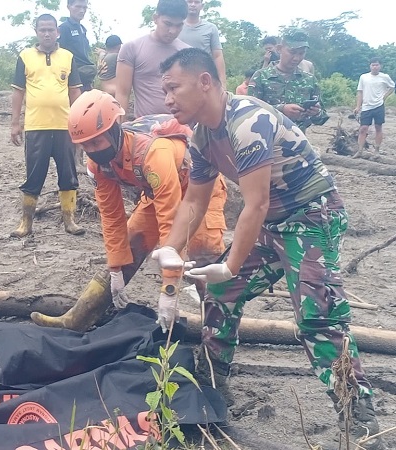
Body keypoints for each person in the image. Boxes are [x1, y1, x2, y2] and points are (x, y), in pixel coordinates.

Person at [153, 47, 383, 449]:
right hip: (274, 222)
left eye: (173, 88)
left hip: (312, 216)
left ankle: (360, 417)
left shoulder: (248, 121)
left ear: (204, 81)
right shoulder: (203, 137)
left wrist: (230, 263)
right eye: (164, 90)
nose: (167, 99)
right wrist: (170, 251)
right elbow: (194, 202)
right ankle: (213, 383)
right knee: (220, 294)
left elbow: (255, 204)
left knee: (318, 318)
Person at [31, 90, 227, 332]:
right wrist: (115, 269)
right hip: (156, 192)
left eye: (97, 141)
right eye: (85, 145)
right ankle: (77, 318)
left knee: (202, 258)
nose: (92, 149)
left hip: (199, 190)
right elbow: (111, 217)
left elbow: (170, 221)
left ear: (114, 128)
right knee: (131, 243)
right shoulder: (98, 163)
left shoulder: (154, 154)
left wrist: (169, 288)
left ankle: (215, 335)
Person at [10, 14, 85, 238]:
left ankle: (69, 220)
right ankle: (26, 221)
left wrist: (79, 122)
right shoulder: (25, 56)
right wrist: (15, 123)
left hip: (64, 127)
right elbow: (18, 92)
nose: (46, 33)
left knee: (68, 173)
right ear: (36, 32)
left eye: (50, 29)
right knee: (34, 175)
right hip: (35, 127)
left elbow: (75, 92)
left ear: (57, 32)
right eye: (42, 29)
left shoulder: (68, 57)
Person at [116, 0, 189, 119]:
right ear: (155, 18)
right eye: (168, 23)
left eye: (179, 25)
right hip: (145, 129)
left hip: (180, 128)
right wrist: (118, 132)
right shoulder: (131, 49)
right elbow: (122, 93)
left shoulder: (187, 53)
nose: (173, 31)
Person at [249, 28, 328, 134]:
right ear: (279, 49)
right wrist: (281, 110)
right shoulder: (260, 77)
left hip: (297, 144)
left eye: (301, 53)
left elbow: (321, 119)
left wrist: (316, 112)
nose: (296, 58)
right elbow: (249, 112)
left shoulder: (309, 80)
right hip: (266, 142)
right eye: (292, 52)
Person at [177, 0, 226, 88]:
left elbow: (217, 56)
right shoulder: (176, 26)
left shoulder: (211, 28)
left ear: (202, 6)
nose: (193, 5)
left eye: (196, 2)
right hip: (180, 77)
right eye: (189, 2)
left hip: (204, 79)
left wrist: (222, 83)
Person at [353, 57, 395, 158]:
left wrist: (384, 96)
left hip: (378, 105)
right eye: (373, 65)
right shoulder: (364, 77)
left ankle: (376, 150)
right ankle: (359, 151)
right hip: (366, 106)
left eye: (377, 65)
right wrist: (358, 106)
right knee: (363, 128)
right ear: (370, 66)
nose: (375, 67)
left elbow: (392, 86)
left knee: (378, 127)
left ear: (380, 66)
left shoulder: (384, 77)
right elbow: (360, 92)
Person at [58, 0, 96, 92]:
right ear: (69, 7)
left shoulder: (82, 29)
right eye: (78, 7)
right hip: (73, 77)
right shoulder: (64, 28)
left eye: (84, 7)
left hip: (86, 76)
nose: (82, 10)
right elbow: (58, 53)